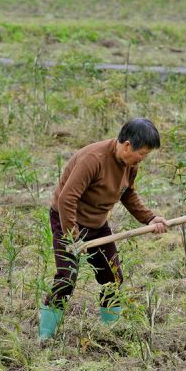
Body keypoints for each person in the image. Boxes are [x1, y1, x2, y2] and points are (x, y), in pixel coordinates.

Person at [39, 118, 168, 339]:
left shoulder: (130, 165)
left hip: (97, 224)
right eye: (143, 153)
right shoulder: (94, 159)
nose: (142, 159)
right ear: (127, 145)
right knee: (66, 278)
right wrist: (72, 237)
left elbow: (128, 193)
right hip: (67, 220)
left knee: (113, 277)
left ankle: (111, 332)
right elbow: (67, 199)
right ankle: (44, 336)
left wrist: (150, 218)